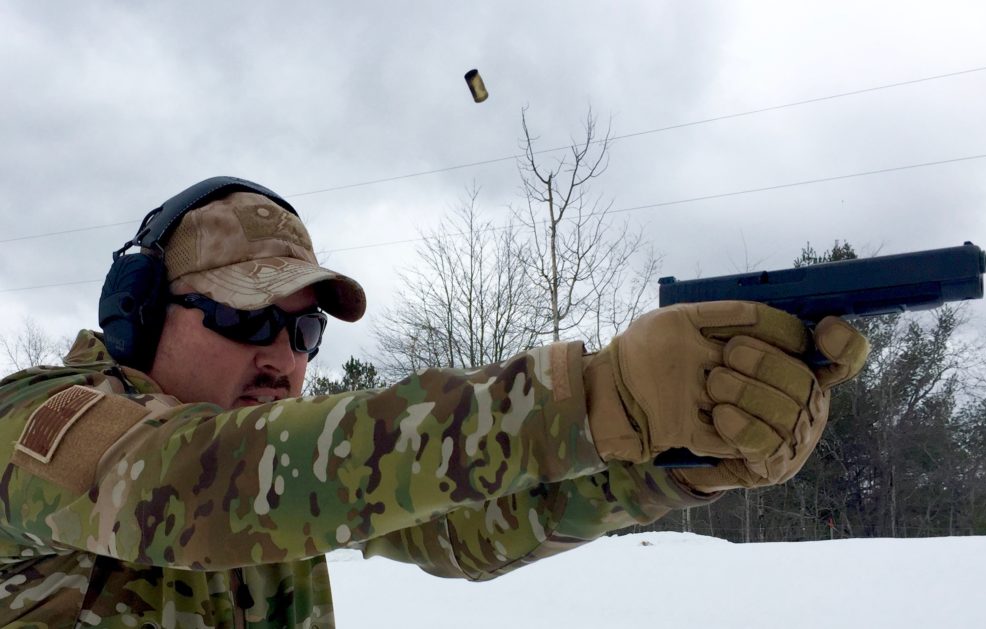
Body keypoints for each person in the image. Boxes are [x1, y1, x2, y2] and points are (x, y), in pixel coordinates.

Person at [0, 177, 868, 627]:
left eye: (304, 334)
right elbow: (185, 488)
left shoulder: (286, 492)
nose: (280, 355)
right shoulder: (37, 426)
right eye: (243, 316)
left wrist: (675, 456)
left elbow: (465, 526)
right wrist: (597, 393)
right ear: (140, 315)